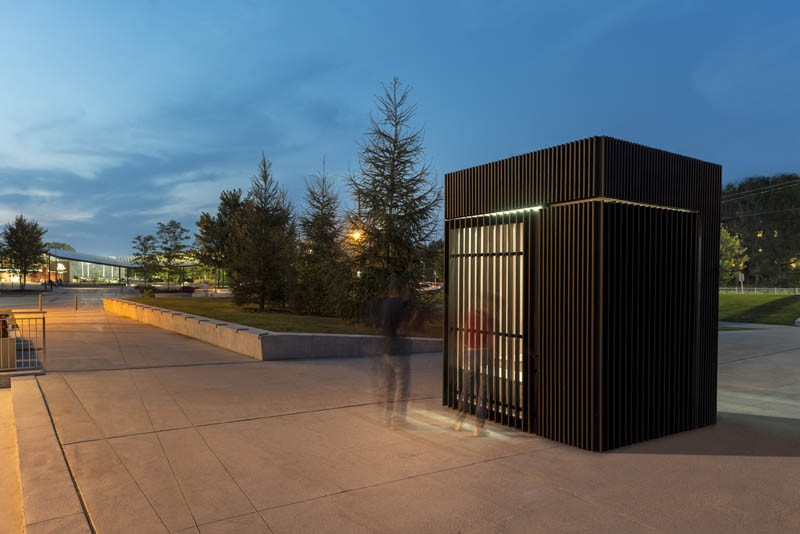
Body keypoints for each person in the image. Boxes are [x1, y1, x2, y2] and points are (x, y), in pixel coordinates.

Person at [453, 293, 494, 436]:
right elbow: (489, 338)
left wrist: (463, 351)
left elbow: (463, 334)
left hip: (469, 353)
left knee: (466, 389)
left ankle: (459, 421)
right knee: (482, 392)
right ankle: (478, 427)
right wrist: (490, 355)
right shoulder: (488, 317)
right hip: (483, 353)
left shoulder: (468, 315)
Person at [380, 278, 414, 428]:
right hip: (398, 349)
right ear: (400, 291)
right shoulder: (400, 306)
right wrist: (413, 319)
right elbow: (401, 329)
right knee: (402, 385)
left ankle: (387, 417)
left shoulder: (385, 304)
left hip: (387, 349)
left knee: (390, 385)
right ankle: (398, 420)